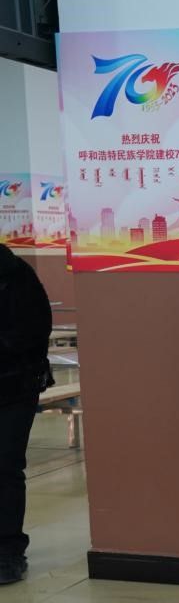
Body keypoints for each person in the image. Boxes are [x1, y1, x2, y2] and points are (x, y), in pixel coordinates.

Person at [0, 243, 53, 585]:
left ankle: (8, 552)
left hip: (14, 388)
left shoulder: (16, 275)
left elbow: (35, 331)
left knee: (5, 465)